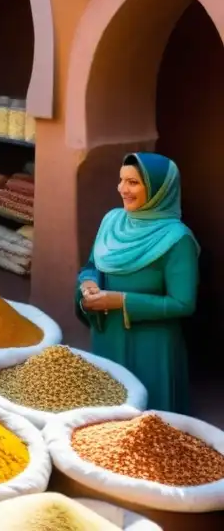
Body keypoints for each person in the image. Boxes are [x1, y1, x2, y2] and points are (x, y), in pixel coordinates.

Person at [76, 152, 200, 413]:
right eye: (121, 180)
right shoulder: (112, 221)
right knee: (104, 425)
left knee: (148, 433)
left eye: (133, 183)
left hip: (151, 348)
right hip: (107, 337)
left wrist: (122, 301)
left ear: (158, 189)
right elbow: (91, 266)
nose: (123, 189)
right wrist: (88, 285)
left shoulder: (178, 240)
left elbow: (183, 303)